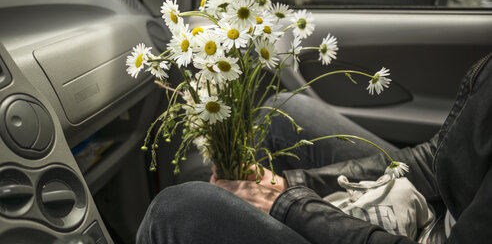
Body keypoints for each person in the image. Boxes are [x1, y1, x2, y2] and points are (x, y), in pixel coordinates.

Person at [137, 53, 492, 244]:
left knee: (178, 211)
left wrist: (289, 206)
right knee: (284, 114)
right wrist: (292, 182)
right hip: (441, 212)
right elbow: (438, 161)